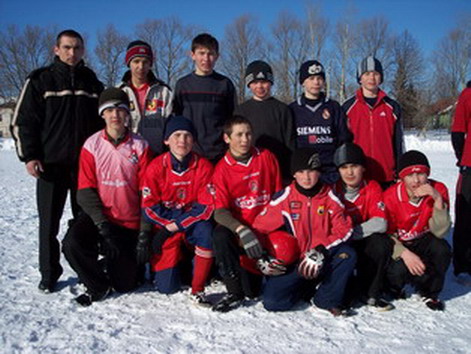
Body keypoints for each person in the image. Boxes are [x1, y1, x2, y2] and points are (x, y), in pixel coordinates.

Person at [10, 29, 104, 293]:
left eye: (76, 48)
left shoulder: (92, 83)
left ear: (83, 50)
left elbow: (102, 125)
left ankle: (87, 270)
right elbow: (23, 122)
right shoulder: (41, 80)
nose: (71, 53)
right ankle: (49, 273)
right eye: (66, 48)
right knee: (48, 223)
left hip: (83, 168)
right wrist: (29, 156)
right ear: (56, 49)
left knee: (85, 221)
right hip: (50, 166)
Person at [62, 88, 152, 306]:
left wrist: (144, 231)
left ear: (127, 114)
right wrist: (102, 226)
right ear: (102, 114)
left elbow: (147, 192)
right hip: (100, 219)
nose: (115, 115)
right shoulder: (91, 145)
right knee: (71, 244)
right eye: (109, 110)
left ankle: (115, 264)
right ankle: (97, 285)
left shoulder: (140, 146)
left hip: (128, 222)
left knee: (126, 284)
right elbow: (85, 191)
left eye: (120, 110)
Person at [253, 149, 356, 317]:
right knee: (272, 302)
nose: (307, 177)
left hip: (322, 260)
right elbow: (259, 227)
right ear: (294, 174)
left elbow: (345, 230)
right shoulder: (284, 198)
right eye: (301, 171)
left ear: (319, 172)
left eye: (312, 171)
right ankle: (305, 288)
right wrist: (263, 254)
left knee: (348, 254)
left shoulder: (330, 197)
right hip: (297, 264)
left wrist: (322, 249)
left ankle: (325, 298)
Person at [139, 116, 215, 305]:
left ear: (194, 140)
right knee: (167, 288)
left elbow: (205, 208)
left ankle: (198, 287)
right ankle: (177, 262)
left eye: (188, 136)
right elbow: (149, 208)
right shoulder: (155, 167)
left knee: (206, 231)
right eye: (177, 135)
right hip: (167, 226)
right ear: (166, 140)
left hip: (190, 224)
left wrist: (173, 227)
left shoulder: (204, 166)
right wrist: (167, 227)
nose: (182, 141)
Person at [211, 116, 282, 312]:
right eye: (239, 135)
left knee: (258, 291)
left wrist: (269, 226)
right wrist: (242, 230)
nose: (245, 140)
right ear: (227, 138)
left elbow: (279, 196)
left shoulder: (266, 157)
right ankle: (234, 291)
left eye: (248, 134)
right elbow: (220, 212)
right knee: (219, 234)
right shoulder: (221, 170)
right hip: (242, 233)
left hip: (267, 227)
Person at [384, 150, 452, 311]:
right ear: (402, 178)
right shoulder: (390, 196)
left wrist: (437, 199)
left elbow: (440, 232)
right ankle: (393, 287)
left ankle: (430, 291)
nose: (416, 180)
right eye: (409, 175)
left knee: (442, 249)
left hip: (424, 238)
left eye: (421, 174)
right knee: (397, 270)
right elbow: (386, 234)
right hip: (400, 242)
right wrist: (404, 253)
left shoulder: (438, 189)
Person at [332, 143, 394, 311]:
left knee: (382, 244)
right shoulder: (333, 190)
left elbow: (381, 223)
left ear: (363, 168)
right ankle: (341, 293)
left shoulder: (371, 186)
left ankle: (371, 292)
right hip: (341, 241)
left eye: (354, 166)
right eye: (344, 167)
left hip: (360, 237)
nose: (349, 172)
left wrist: (351, 232)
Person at [173, 33, 237, 163]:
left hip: (219, 153)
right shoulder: (183, 85)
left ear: (217, 57)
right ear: (192, 55)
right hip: (189, 153)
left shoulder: (224, 84)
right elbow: (177, 118)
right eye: (201, 53)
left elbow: (232, 119)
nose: (206, 58)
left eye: (210, 54)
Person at [343, 56, 403, 188]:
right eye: (367, 74)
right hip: (357, 176)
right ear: (360, 78)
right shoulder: (348, 107)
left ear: (381, 78)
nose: (371, 78)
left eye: (375, 74)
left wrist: (400, 170)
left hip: (386, 175)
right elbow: (343, 143)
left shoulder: (392, 107)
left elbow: (398, 142)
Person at [290, 60, 351, 184]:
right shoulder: (292, 109)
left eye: (319, 78)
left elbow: (343, 139)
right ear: (303, 82)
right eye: (311, 78)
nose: (316, 82)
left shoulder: (334, 107)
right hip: (305, 174)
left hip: (330, 172)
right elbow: (290, 143)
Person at [234, 60, 295, 182]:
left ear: (271, 83)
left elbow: (290, 143)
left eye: (264, 82)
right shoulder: (241, 111)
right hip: (250, 172)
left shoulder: (282, 109)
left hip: (279, 171)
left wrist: (290, 172)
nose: (259, 86)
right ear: (249, 85)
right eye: (255, 82)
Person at [118, 40, 173, 155]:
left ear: (150, 64)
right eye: (136, 61)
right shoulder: (119, 91)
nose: (141, 66)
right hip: (126, 155)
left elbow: (170, 126)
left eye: (145, 62)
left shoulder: (163, 91)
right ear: (128, 63)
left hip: (156, 155)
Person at [451, 81, 471, 282]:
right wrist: (462, 156)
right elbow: (458, 130)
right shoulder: (467, 94)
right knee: (466, 215)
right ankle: (463, 264)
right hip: (470, 165)